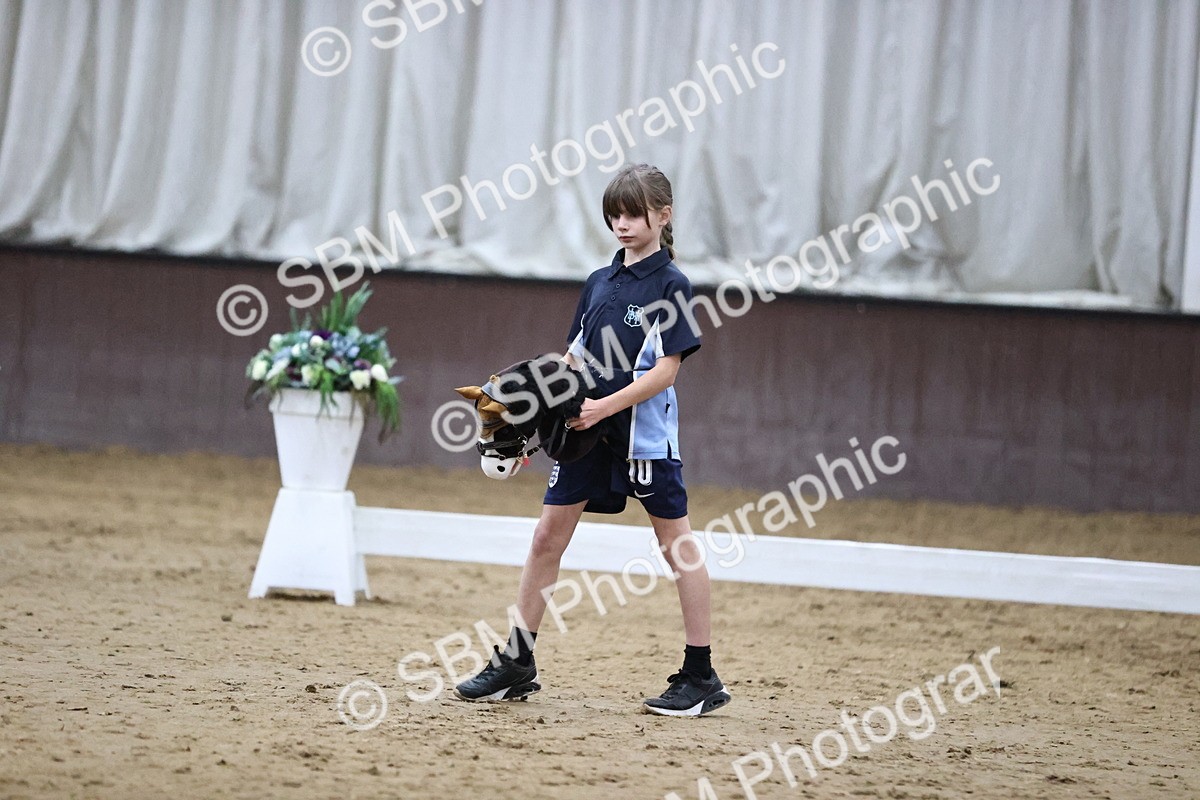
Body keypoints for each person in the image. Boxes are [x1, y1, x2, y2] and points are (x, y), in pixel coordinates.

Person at [454, 163, 731, 717]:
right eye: (615, 214)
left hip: (642, 438)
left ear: (664, 215)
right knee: (544, 540)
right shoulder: (599, 282)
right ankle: (517, 662)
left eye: (634, 214)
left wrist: (604, 405)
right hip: (584, 434)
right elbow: (574, 358)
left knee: (677, 548)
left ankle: (700, 675)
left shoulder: (672, 285)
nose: (623, 224)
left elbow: (666, 371)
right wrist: (532, 409)